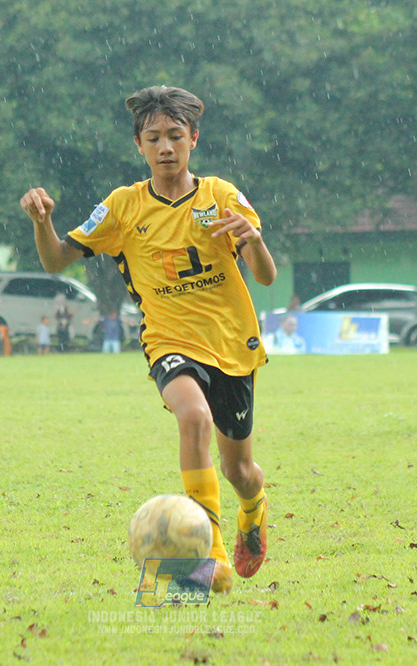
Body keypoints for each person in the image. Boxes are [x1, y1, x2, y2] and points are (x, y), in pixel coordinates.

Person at [21, 85, 276, 594]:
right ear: (138, 145)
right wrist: (42, 222)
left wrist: (253, 240)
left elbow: (265, 276)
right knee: (193, 416)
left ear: (193, 140)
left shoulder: (222, 196)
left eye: (175, 136)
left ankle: (254, 506)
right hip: (169, 341)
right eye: (154, 137)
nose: (165, 147)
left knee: (240, 469)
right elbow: (55, 261)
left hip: (232, 344)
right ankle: (212, 554)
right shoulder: (122, 207)